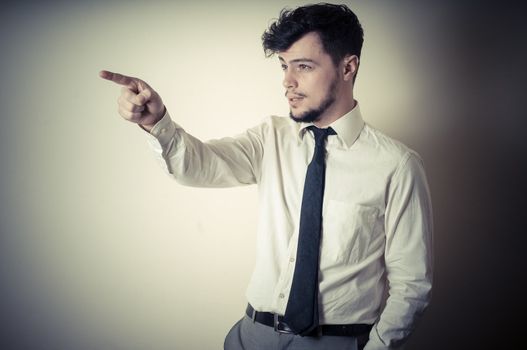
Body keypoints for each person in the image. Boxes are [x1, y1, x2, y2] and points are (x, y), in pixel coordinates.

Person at [99, 3, 433, 350]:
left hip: (335, 342)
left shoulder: (397, 165)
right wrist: (156, 122)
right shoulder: (270, 138)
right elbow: (197, 165)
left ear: (348, 67)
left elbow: (412, 283)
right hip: (251, 335)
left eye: (303, 66)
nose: (287, 81)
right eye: (284, 66)